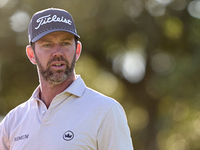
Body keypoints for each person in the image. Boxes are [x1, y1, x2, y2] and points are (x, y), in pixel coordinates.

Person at [0, 8, 133, 150]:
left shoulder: (106, 111)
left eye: (65, 43)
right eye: (47, 45)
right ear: (31, 54)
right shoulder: (12, 121)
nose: (57, 52)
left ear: (77, 50)